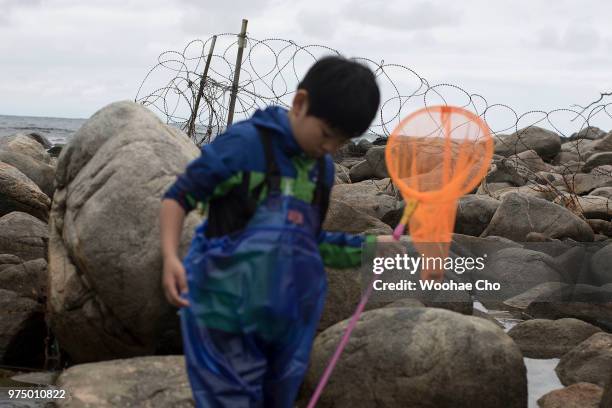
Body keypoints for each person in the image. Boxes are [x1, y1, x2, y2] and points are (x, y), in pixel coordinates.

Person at [160, 55, 381, 407]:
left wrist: (374, 249)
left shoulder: (321, 170)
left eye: (340, 142)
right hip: (222, 311)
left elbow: (310, 244)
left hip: (285, 318)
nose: (329, 148)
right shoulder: (244, 146)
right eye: (325, 134)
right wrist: (171, 257)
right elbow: (179, 197)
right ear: (300, 103)